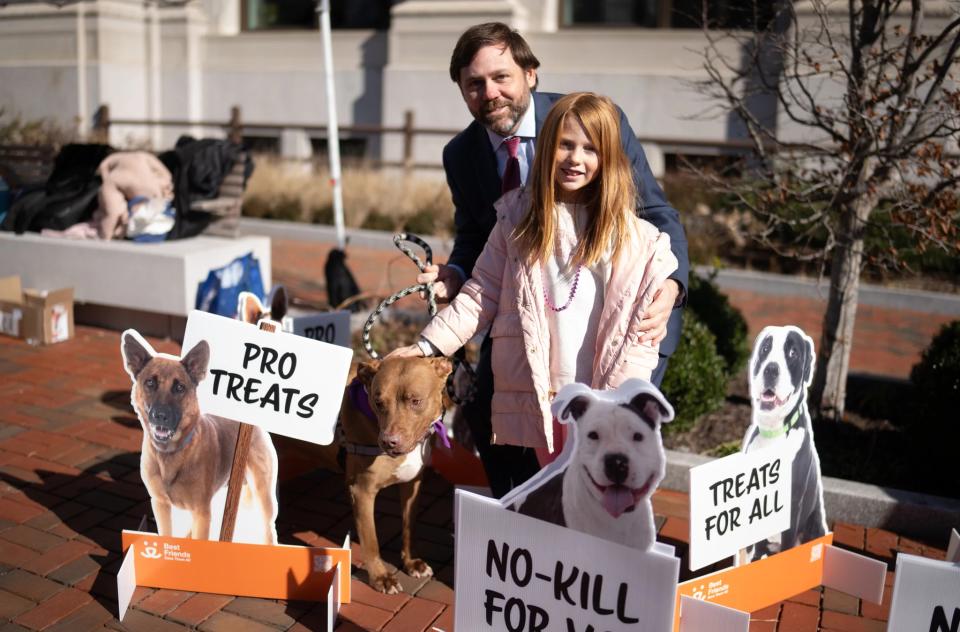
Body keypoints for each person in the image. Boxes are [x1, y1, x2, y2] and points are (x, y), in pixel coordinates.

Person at [419, 22, 689, 497]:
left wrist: (671, 285)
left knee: (601, 450)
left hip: (616, 321)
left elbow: (654, 214)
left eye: (502, 77)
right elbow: (478, 241)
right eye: (474, 84)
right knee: (490, 414)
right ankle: (521, 517)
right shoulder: (461, 155)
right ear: (462, 91)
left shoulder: (591, 121)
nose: (491, 93)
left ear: (531, 74)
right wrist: (454, 273)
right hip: (527, 314)